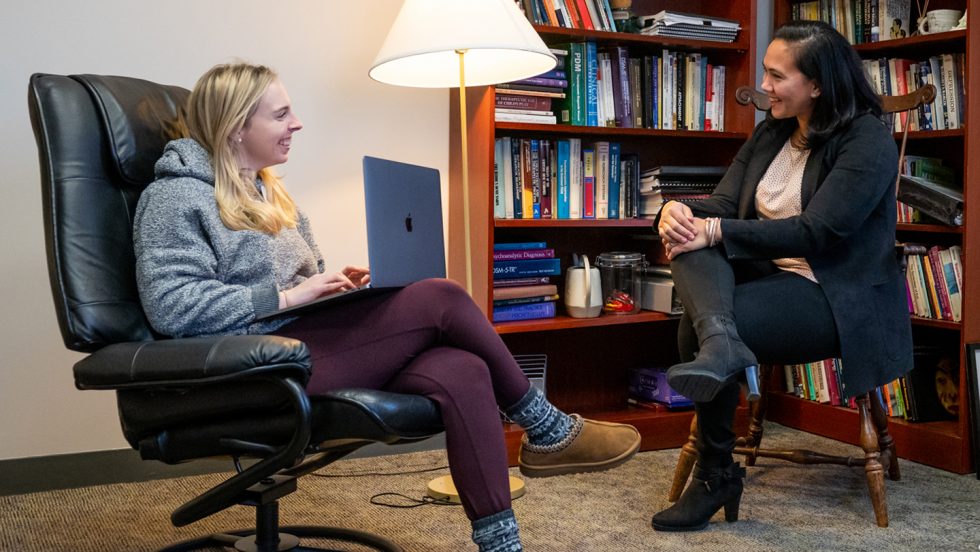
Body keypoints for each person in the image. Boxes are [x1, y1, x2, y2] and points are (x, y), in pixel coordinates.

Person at [133, 62, 641, 552]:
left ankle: (501, 544)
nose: (297, 123)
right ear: (236, 126)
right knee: (440, 294)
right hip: (248, 369)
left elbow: (296, 288)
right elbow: (172, 308)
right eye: (281, 114)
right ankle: (546, 427)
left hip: (302, 343)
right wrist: (291, 296)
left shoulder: (271, 192)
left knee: (459, 369)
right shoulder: (176, 198)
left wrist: (335, 288)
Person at [650, 20, 913, 531]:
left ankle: (716, 472)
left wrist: (715, 230)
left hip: (835, 293)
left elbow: (819, 231)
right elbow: (724, 204)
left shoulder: (867, 140)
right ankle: (720, 349)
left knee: (698, 323)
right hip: (770, 274)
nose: (763, 87)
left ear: (817, 84)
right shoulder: (773, 130)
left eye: (776, 76)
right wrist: (676, 211)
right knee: (689, 240)